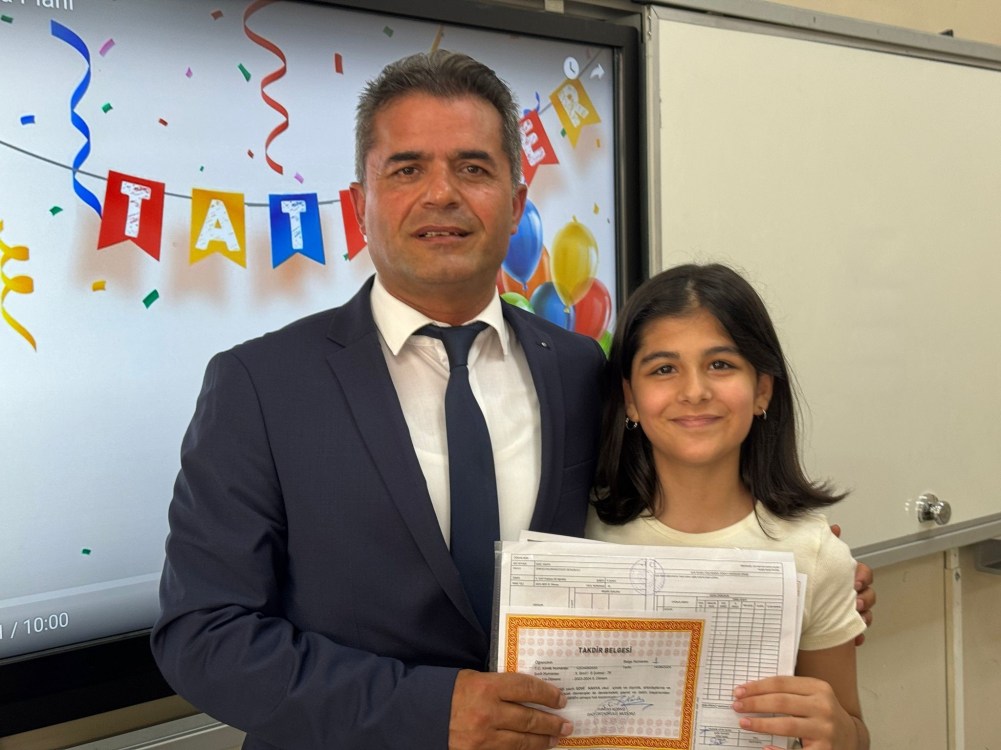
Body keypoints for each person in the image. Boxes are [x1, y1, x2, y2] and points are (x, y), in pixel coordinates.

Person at [152, 51, 874, 750]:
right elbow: (203, 637)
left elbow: (665, 509)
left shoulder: (579, 368)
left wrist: (800, 577)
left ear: (517, 203)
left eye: (473, 168)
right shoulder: (261, 385)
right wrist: (431, 712)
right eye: (406, 169)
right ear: (358, 203)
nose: (442, 193)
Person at [587, 263, 870, 749]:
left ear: (762, 390)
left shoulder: (813, 554)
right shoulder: (578, 530)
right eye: (664, 369)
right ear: (630, 399)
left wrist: (839, 732)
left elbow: (852, 732)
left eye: (721, 364)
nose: (695, 391)